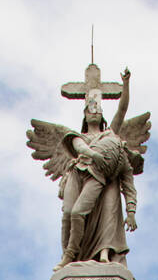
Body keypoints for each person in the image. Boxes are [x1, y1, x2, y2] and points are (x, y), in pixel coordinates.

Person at [57, 69, 138, 267]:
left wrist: (125, 84)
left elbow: (122, 109)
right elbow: (78, 148)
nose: (94, 111)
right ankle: (70, 255)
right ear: (84, 115)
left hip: (102, 180)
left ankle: (99, 253)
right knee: (69, 214)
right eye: (89, 109)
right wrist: (92, 155)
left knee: (98, 214)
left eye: (97, 110)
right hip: (79, 175)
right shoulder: (78, 138)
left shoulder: (111, 135)